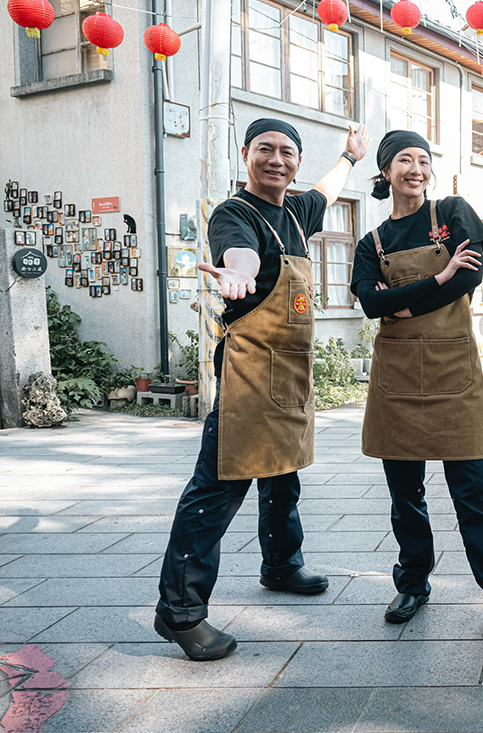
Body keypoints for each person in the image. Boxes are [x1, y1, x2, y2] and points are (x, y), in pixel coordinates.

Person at [155, 118, 371, 661]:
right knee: (217, 489)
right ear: (246, 153)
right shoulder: (236, 214)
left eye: (287, 152)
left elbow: (327, 192)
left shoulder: (297, 213)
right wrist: (237, 273)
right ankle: (180, 612)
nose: (277, 160)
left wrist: (350, 156)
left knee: (282, 473)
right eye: (265, 149)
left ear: (296, 161)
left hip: (291, 373)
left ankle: (281, 564)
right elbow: (240, 253)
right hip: (250, 374)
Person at [351, 130, 483, 641]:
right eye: (404, 160)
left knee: (474, 495)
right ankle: (413, 584)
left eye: (423, 159)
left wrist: (403, 302)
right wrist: (436, 280)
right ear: (386, 171)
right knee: (405, 495)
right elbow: (371, 304)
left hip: (453, 374)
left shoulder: (453, 212)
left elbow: (469, 279)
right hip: (395, 382)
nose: (416, 168)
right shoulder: (372, 242)